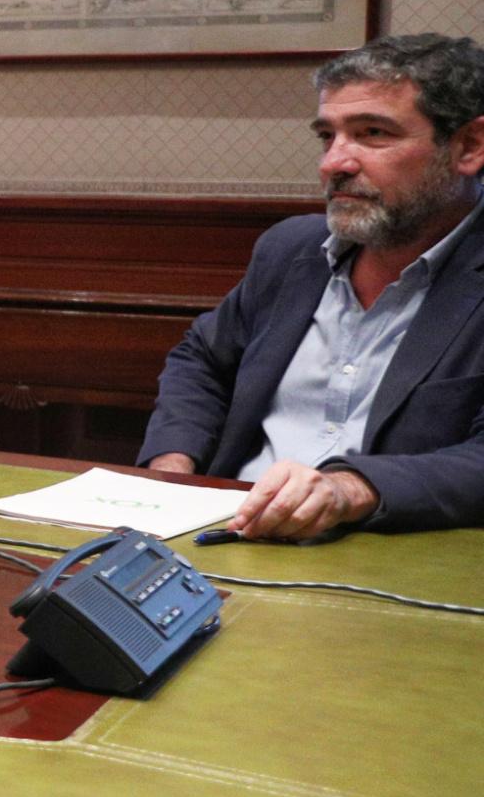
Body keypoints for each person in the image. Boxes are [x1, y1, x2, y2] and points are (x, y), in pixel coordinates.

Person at [142, 32, 484, 537]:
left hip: (387, 555)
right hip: (222, 532)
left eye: (372, 133)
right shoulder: (290, 251)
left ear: (469, 147)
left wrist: (350, 489)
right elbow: (202, 362)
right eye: (327, 136)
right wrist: (171, 470)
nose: (334, 164)